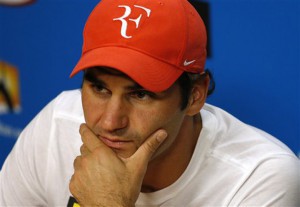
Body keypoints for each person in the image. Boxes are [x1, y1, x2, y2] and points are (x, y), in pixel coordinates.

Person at [0, 0, 299, 206]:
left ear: (195, 96)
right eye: (99, 88)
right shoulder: (56, 126)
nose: (109, 122)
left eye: (140, 94)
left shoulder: (260, 179)